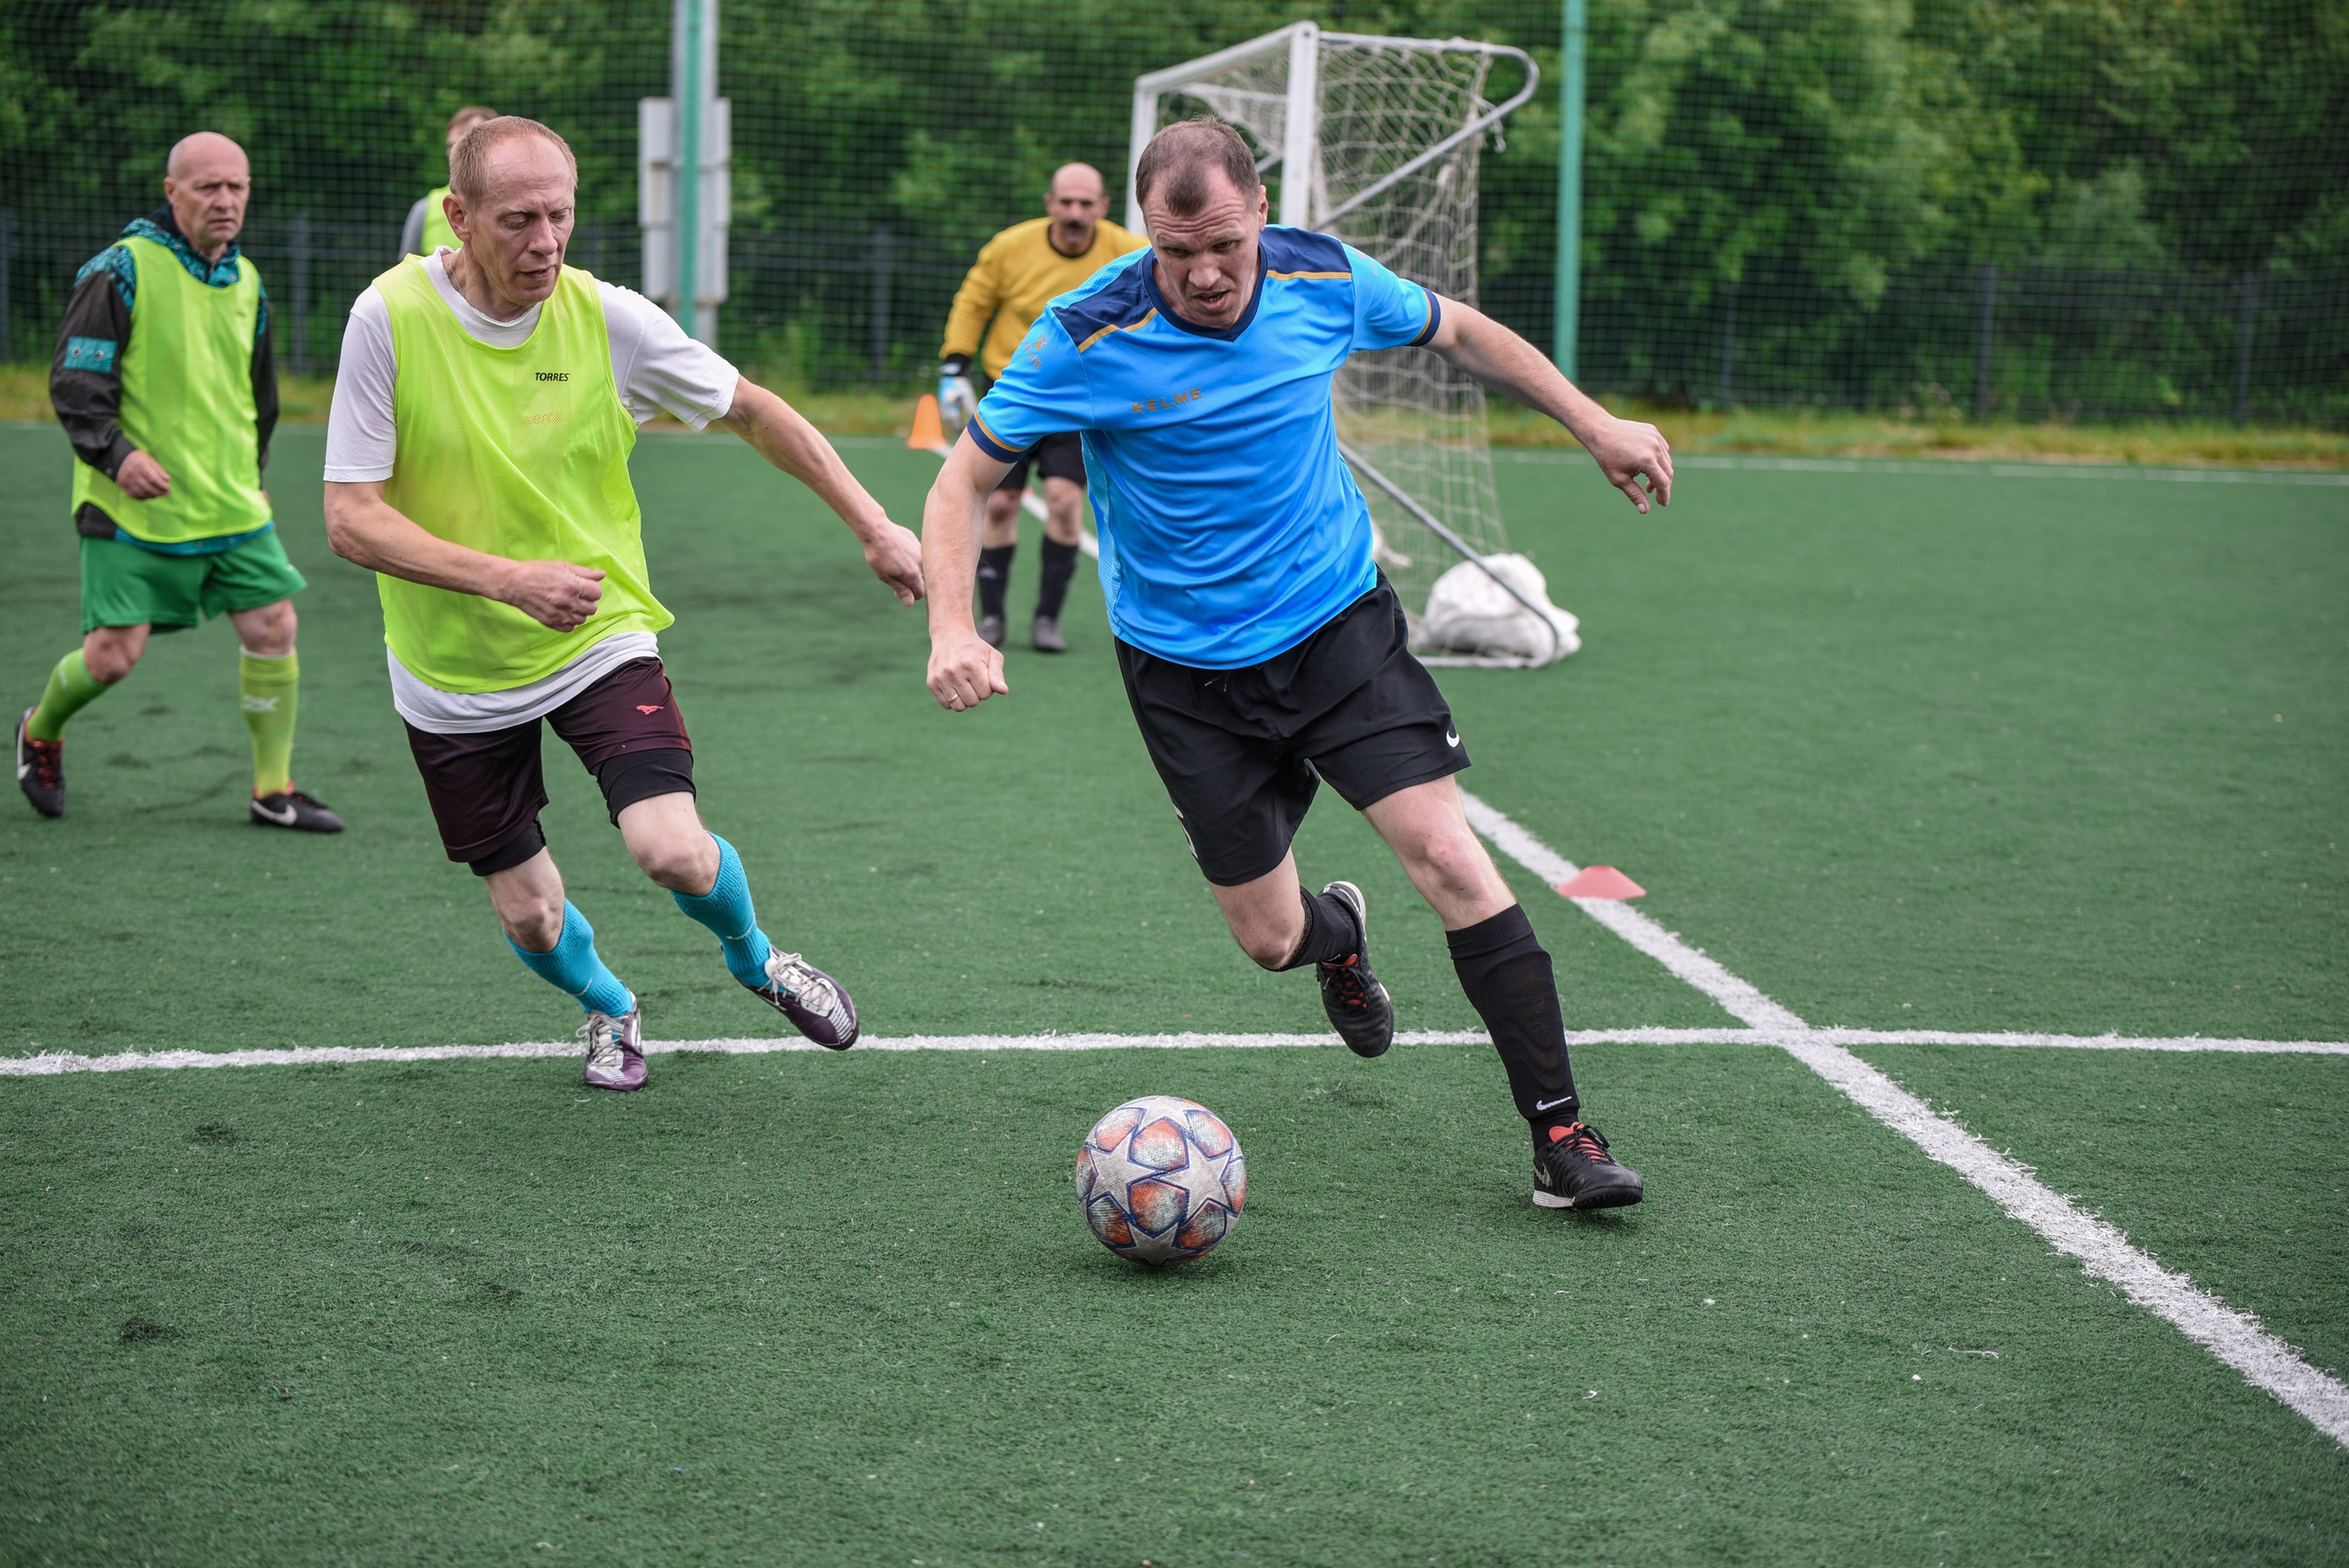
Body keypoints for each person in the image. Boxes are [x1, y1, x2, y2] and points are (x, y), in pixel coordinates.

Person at [922, 118, 1675, 1211]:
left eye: (1225, 242)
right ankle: (1340, 936)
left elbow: (1458, 330)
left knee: (1453, 861)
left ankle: (1561, 1137)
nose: (1207, 273)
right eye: (1178, 254)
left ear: (1259, 212)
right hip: (1185, 672)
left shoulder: (1323, 275)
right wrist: (955, 625)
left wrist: (1592, 419)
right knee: (1271, 937)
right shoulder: (1083, 336)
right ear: (1147, 238)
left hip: (1336, 627)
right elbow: (959, 483)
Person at [323, 117, 925, 1092]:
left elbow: (752, 409)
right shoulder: (386, 318)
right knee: (531, 915)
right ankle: (608, 1005)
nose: (547, 241)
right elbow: (350, 519)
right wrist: (507, 578)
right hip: (451, 670)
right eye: (519, 219)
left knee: (673, 850)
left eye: (561, 214)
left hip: (597, 631)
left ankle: (757, 957)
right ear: (458, 215)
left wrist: (873, 523)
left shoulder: (604, 317)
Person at [21, 131, 340, 832]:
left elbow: (258, 401)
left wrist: (251, 477)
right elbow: (76, 378)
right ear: (172, 192)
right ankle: (39, 731)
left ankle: (270, 788)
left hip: (230, 503)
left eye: (237, 187)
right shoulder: (119, 269)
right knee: (112, 657)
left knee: (273, 624)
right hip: (131, 505)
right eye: (207, 187)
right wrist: (115, 454)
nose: (225, 201)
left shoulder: (248, 280)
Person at [936, 162, 1147, 652]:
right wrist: (953, 367)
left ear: (1102, 207)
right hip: (1012, 390)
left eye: (1085, 204)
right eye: (1066, 202)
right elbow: (973, 302)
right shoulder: (1010, 247)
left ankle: (1047, 620)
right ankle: (991, 618)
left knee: (1065, 501)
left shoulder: (1128, 253)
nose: (1075, 213)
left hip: (1081, 398)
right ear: (1050, 203)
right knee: (1001, 502)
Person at [400, 106, 498, 261]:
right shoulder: (425, 208)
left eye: (468, 144)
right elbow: (406, 271)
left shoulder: (525, 206)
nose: (456, 153)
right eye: (452, 146)